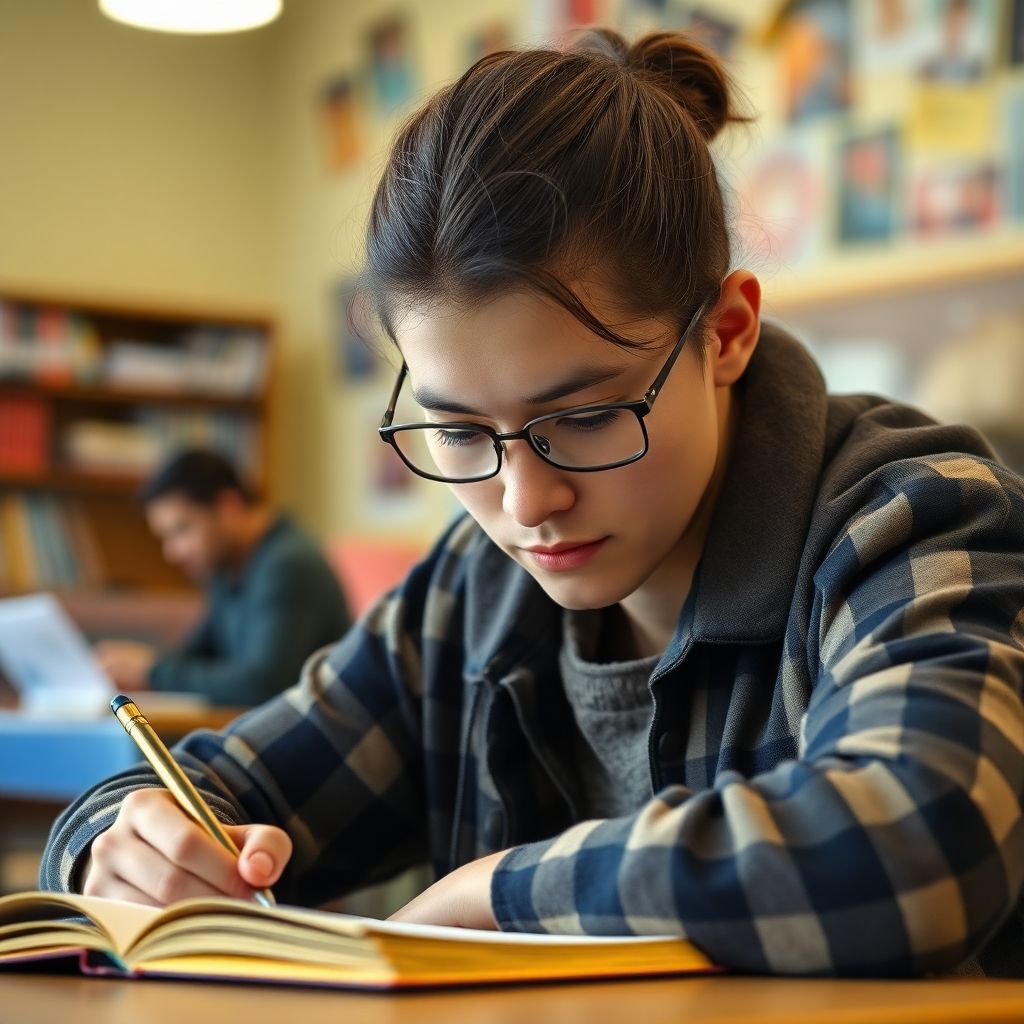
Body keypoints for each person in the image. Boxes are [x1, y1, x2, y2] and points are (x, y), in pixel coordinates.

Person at [43, 30, 1024, 977]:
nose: (525, 501)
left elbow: (927, 840)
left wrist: (490, 898)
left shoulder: (915, 517)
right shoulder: (470, 592)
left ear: (725, 334)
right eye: (461, 431)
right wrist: (115, 849)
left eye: (588, 415)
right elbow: (204, 787)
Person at [94, 448, 352, 706]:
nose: (171, 552)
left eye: (182, 530)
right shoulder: (228, 566)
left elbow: (262, 684)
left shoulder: (289, 565)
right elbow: (197, 654)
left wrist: (151, 671)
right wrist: (136, 667)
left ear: (228, 507)